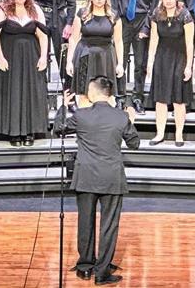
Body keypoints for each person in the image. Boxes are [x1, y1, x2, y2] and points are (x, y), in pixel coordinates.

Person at [54, 76, 140, 285]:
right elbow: (134, 143)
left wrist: (63, 106)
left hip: (86, 177)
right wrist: (131, 120)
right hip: (111, 178)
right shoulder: (120, 117)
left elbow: (59, 128)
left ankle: (85, 267)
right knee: (109, 226)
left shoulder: (81, 115)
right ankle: (102, 272)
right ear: (109, 94)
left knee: (85, 222)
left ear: (92, 93)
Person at [0, 0, 49, 147]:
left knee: (30, 93)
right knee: (12, 92)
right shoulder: (3, 9)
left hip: (31, 57)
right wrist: (0, 57)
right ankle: (13, 132)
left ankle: (29, 132)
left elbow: (43, 36)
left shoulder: (35, 10)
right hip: (9, 57)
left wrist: (43, 57)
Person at [111, 0, 159, 114]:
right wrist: (115, 21)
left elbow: (154, 5)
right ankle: (120, 97)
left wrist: (146, 27)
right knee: (120, 61)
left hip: (141, 21)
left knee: (140, 63)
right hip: (123, 21)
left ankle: (138, 97)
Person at [147, 0, 194, 147]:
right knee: (160, 100)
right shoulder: (157, 14)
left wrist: (189, 66)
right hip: (162, 59)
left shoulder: (185, 15)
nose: (168, 1)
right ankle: (160, 133)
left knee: (178, 100)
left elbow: (189, 43)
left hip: (180, 58)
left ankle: (179, 134)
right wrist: (150, 61)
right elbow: (154, 39)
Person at [66, 0, 124, 108]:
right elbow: (74, 39)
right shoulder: (82, 14)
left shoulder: (113, 16)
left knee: (107, 94)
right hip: (85, 56)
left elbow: (119, 41)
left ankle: (106, 120)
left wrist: (120, 64)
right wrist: (69, 61)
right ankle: (85, 119)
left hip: (106, 58)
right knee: (84, 94)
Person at [31, 0, 77, 85]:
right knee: (40, 54)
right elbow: (34, 0)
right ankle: (40, 91)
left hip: (60, 17)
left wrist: (69, 24)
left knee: (63, 56)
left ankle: (67, 92)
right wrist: (36, 20)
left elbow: (71, 2)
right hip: (43, 16)